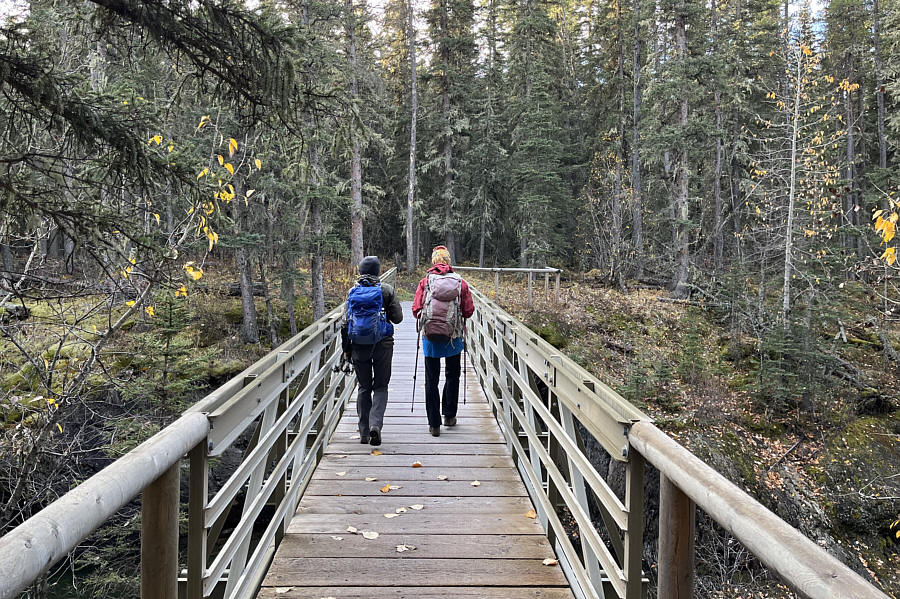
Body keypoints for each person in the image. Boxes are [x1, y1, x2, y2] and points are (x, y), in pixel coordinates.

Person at [411, 246, 474, 437]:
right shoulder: (460, 283)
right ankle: (449, 415)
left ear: (433, 262)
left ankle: (434, 424)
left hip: (430, 338)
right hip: (453, 337)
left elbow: (416, 309)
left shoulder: (425, 282)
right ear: (449, 261)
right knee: (452, 375)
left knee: (431, 380)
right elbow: (468, 311)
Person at [341, 256, 403, 446]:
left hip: (359, 345)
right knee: (381, 386)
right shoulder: (386, 290)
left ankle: (364, 433)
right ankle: (375, 425)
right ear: (378, 271)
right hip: (383, 344)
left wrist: (346, 350)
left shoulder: (353, 291)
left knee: (364, 387)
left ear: (360, 271)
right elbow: (398, 318)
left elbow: (345, 323)